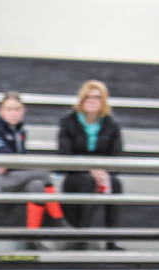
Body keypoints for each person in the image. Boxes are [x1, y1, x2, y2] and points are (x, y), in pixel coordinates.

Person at [0, 92, 68, 242]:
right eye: (9, 109)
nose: (13, 113)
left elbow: (16, 162)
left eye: (17, 109)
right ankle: (59, 220)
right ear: (1, 111)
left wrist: (13, 165)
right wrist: (10, 163)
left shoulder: (20, 131)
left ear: (23, 111)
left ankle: (31, 237)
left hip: (13, 177)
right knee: (43, 173)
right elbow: (8, 158)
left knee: (37, 185)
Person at [57, 80, 125, 250]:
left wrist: (102, 171)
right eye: (88, 97)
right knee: (88, 182)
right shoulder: (68, 122)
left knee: (115, 183)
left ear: (103, 101)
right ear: (81, 99)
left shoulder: (112, 124)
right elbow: (65, 157)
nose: (92, 101)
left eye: (97, 97)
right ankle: (82, 238)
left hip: (103, 174)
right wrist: (90, 169)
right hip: (75, 175)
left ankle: (112, 241)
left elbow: (116, 156)